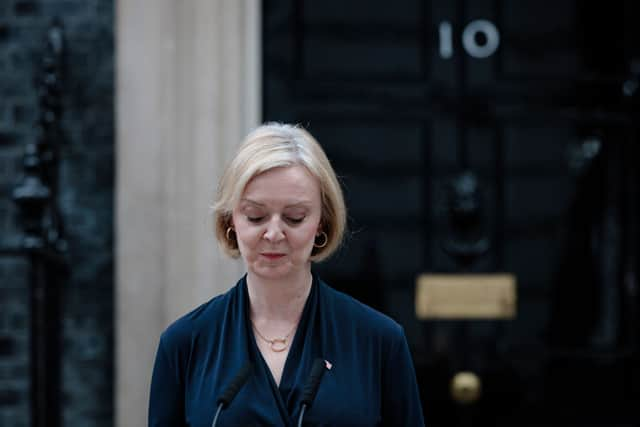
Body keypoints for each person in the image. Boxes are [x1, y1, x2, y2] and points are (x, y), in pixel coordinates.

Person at [148, 123, 425, 426]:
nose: (274, 233)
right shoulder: (184, 344)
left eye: (295, 218)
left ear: (322, 222)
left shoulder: (380, 341)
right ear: (231, 221)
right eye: (255, 216)